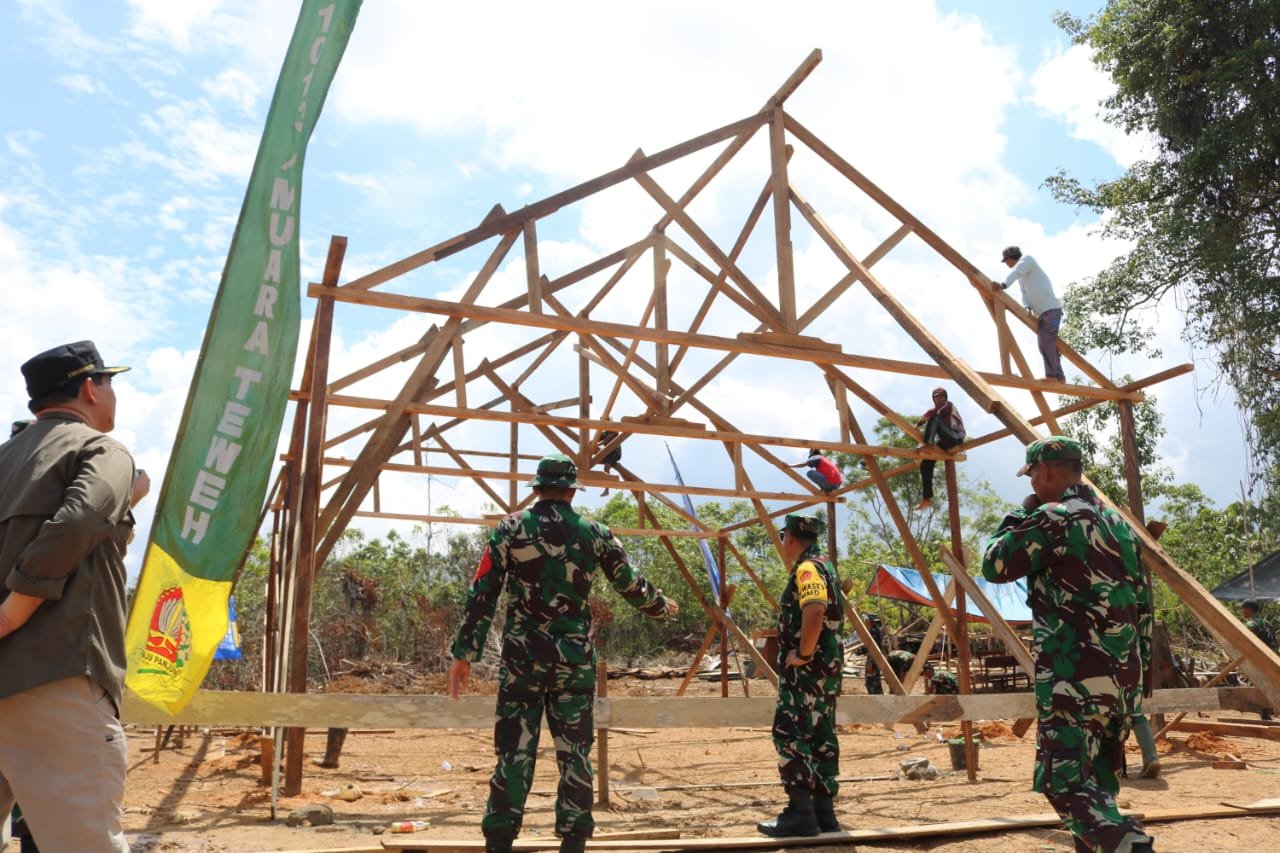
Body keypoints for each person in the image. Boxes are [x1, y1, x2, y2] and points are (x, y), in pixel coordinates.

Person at [448, 453, 678, 853]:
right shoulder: (595, 533)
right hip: (573, 662)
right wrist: (660, 607)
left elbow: (482, 591)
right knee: (575, 754)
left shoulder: (510, 529)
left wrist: (464, 653)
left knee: (513, 752)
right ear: (572, 491)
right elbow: (627, 582)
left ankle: (499, 841)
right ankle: (573, 841)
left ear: (537, 488)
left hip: (522, 661)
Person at [0, 340, 149, 853]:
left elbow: (84, 536)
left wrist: (122, 506)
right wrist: (15, 609)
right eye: (109, 382)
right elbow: (81, 519)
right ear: (89, 388)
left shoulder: (5, 459)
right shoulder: (102, 451)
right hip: (57, 677)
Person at [982, 436, 1154, 853]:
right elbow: (1143, 606)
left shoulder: (1053, 517)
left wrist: (1018, 516)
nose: (1032, 484)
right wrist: (1139, 678)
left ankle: (1131, 843)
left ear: (1044, 471)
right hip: (1122, 682)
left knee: (1064, 782)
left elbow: (994, 564)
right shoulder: (1120, 526)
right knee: (1098, 784)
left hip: (1073, 680)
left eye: (1032, 476)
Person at [758, 514, 845, 838]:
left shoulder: (807, 568)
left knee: (791, 734)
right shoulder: (827, 566)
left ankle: (800, 814)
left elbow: (815, 610)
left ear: (790, 538)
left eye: (783, 537)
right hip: (826, 671)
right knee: (821, 736)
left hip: (806, 672)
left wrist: (804, 653)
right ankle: (823, 813)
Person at [990, 246, 1066, 383]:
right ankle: (1059, 377)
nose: (1007, 264)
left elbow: (1016, 272)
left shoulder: (1027, 260)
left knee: (1045, 341)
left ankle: (1052, 376)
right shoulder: (1022, 277)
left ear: (1011, 257)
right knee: (1047, 343)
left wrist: (1003, 284)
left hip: (1050, 310)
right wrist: (1027, 307)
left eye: (1006, 261)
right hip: (1043, 313)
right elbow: (1024, 294)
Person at [915, 387, 965, 510]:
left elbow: (933, 412)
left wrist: (920, 421)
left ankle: (929, 444)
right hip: (945, 441)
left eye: (941, 395)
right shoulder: (939, 412)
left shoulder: (948, 405)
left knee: (935, 419)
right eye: (936, 396)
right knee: (926, 463)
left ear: (945, 397)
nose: (939, 398)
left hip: (955, 438)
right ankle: (926, 499)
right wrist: (922, 422)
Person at [1241, 599, 1277, 720]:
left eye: (1243, 609)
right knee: (1270, 682)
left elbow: (1249, 643)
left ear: (1248, 610)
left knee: (1259, 683)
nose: (1241, 611)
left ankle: (1264, 711)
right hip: (1273, 656)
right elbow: (1274, 642)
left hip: (1259, 657)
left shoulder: (1251, 624)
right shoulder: (1267, 623)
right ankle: (1267, 710)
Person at [862, 613, 889, 695]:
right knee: (875, 679)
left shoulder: (873, 632)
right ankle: (878, 695)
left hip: (873, 658)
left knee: (871, 680)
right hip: (875, 658)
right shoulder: (877, 630)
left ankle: (875, 696)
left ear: (870, 621)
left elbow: (871, 647)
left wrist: (859, 651)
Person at [595, 430, 622, 496]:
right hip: (607, 452)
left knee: (606, 468)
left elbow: (605, 440)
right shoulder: (604, 433)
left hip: (614, 452)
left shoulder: (614, 431)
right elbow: (596, 440)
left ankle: (607, 490)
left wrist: (598, 444)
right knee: (595, 458)